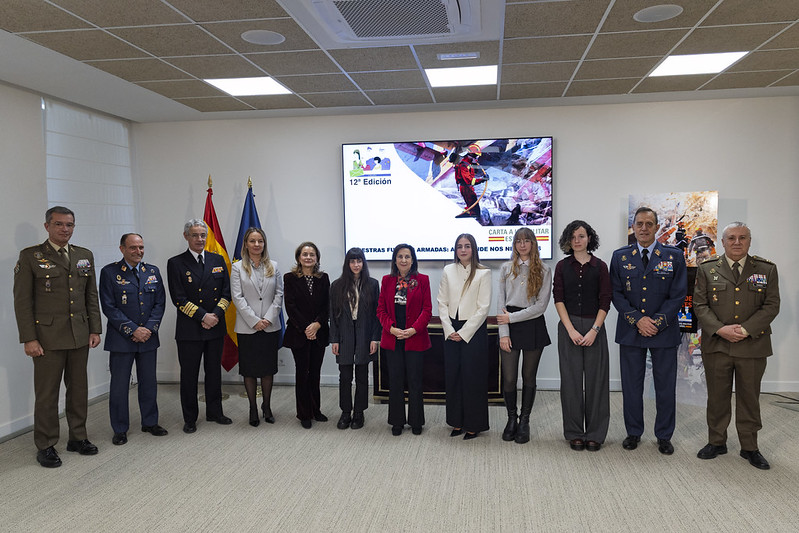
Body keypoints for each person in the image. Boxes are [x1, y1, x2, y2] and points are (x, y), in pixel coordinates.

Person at [13, 206, 102, 468]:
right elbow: (22, 302)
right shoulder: (31, 256)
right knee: (47, 394)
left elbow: (90, 296)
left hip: (79, 335)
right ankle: (46, 444)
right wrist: (29, 338)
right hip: (47, 338)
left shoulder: (84, 255)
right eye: (60, 224)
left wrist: (95, 328)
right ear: (47, 226)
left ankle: (78, 437)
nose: (65, 229)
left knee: (78, 390)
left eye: (70, 225)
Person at [693, 222, 780, 470]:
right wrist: (720, 329)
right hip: (717, 344)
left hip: (752, 345)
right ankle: (717, 441)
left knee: (749, 399)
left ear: (750, 241)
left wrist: (745, 330)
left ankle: (750, 447)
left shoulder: (766, 269)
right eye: (731, 238)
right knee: (717, 397)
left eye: (743, 237)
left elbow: (772, 305)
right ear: (723, 242)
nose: (737, 242)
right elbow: (700, 306)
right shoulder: (708, 269)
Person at [610, 207, 687, 455]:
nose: (644, 228)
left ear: (657, 227)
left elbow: (678, 295)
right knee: (632, 386)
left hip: (663, 331)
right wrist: (638, 320)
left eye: (649, 224)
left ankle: (664, 435)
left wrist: (656, 322)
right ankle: (633, 432)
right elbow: (616, 294)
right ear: (633, 227)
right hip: (631, 331)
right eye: (639, 224)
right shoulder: (620, 256)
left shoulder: (674, 256)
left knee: (665, 386)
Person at [99, 233, 167, 446]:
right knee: (119, 386)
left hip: (148, 337)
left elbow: (159, 304)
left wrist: (147, 329)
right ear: (122, 249)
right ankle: (120, 429)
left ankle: (150, 422)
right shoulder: (109, 273)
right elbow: (109, 307)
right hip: (121, 339)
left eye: (141, 247)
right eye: (133, 248)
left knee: (149, 383)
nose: (138, 252)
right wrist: (132, 330)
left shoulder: (152, 272)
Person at [166, 219, 232, 434]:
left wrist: (216, 315)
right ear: (186, 236)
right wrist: (204, 316)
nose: (199, 239)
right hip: (190, 330)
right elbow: (178, 298)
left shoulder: (218, 259)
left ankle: (215, 412)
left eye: (202, 235)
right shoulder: (176, 263)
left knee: (214, 372)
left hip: (215, 326)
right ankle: (190, 417)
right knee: (189, 375)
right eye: (194, 235)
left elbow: (226, 294)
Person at [553, 221, 611, 452]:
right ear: (568, 241)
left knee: (597, 382)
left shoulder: (600, 266)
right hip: (569, 327)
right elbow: (558, 298)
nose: (577, 240)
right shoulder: (561, 266)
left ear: (589, 239)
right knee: (571, 382)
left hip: (595, 327)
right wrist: (570, 330)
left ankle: (595, 433)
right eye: (573, 237)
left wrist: (594, 330)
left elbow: (605, 300)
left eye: (581, 236)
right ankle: (575, 432)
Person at [496, 227, 551, 444]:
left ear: (533, 244)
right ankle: (511, 418)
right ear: (514, 244)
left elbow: (541, 306)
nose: (522, 245)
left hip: (532, 326)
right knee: (509, 378)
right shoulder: (506, 268)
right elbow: (501, 303)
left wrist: (512, 318)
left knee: (529, 377)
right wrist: (504, 332)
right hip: (508, 325)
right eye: (518, 241)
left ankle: (524, 420)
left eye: (526, 240)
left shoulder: (544, 270)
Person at [439, 233, 492, 440]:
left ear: (473, 249)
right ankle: (456, 421)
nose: (463, 250)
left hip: (473, 331)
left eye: (467, 246)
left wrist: (464, 332)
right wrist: (449, 328)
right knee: (454, 377)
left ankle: (473, 424)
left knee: (472, 378)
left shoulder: (483, 272)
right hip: (451, 329)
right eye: (460, 246)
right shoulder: (447, 270)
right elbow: (441, 302)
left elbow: (483, 307)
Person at [376, 244, 432, 436]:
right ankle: (397, 421)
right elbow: (380, 309)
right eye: (400, 256)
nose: (403, 260)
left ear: (413, 260)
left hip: (414, 337)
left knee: (415, 381)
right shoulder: (387, 280)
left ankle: (416, 421)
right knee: (396, 381)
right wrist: (390, 328)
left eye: (407, 257)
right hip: (393, 337)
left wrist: (413, 330)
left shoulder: (422, 280)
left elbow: (427, 310)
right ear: (395, 260)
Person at [230, 228, 283, 427]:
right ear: (246, 244)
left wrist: (267, 319)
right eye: (252, 241)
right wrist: (255, 321)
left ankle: (266, 407)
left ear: (264, 243)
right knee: (250, 371)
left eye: (260, 241)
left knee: (268, 370)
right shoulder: (237, 268)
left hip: (270, 327)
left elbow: (278, 295)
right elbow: (237, 297)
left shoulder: (274, 266)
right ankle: (253, 407)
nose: (256, 244)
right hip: (247, 327)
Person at [330, 248, 381, 430]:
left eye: (359, 261)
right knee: (344, 377)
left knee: (361, 376)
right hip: (344, 335)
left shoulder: (373, 285)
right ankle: (345, 412)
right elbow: (333, 315)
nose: (356, 265)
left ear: (363, 263)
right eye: (352, 261)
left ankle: (359, 413)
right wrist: (334, 339)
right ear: (347, 264)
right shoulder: (336, 285)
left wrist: (375, 338)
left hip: (365, 335)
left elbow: (377, 315)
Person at [283, 241, 330, 428]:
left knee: (315, 373)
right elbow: (290, 306)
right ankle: (304, 413)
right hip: (298, 333)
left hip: (319, 332)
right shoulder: (289, 278)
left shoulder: (323, 278)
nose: (308, 257)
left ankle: (315, 410)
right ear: (298, 257)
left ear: (317, 258)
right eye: (305, 254)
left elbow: (327, 305)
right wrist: (306, 328)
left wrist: (317, 324)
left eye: (312, 254)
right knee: (302, 373)